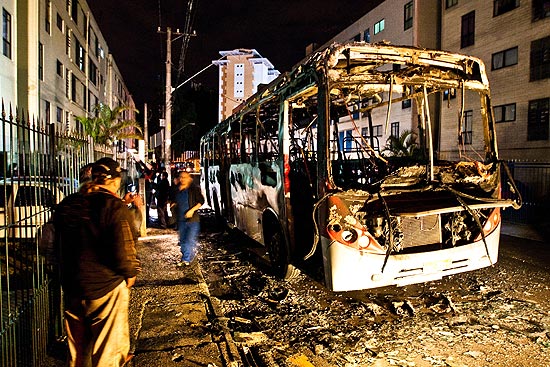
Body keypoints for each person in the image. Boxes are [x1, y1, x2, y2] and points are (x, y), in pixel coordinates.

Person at [53, 157, 141, 367]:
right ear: (116, 181)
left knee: (78, 356)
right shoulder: (115, 208)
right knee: (107, 356)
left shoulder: (68, 204)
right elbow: (125, 253)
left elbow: (54, 243)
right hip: (105, 291)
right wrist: (130, 275)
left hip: (74, 288)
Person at [173, 171, 204, 266]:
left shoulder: (194, 189)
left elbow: (201, 201)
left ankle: (187, 258)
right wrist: (174, 204)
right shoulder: (177, 189)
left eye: (184, 177)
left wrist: (191, 211)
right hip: (181, 219)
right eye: (181, 177)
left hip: (193, 220)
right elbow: (175, 200)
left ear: (189, 178)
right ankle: (186, 258)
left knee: (189, 239)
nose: (182, 179)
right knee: (182, 240)